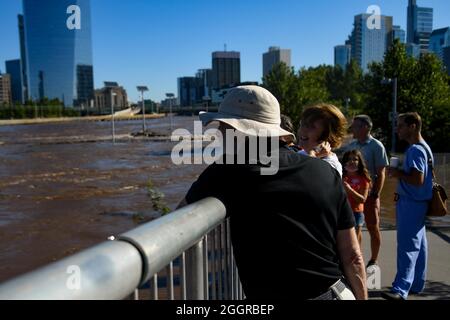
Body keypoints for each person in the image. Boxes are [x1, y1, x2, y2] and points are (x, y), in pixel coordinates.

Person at [180, 85, 368, 300]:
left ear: (237, 130)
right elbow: (353, 256)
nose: (219, 133)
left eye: (221, 126)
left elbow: (176, 223)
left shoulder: (226, 171)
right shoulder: (325, 171)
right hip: (334, 293)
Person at [382, 112, 433, 300]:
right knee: (419, 244)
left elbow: (417, 180)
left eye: (401, 125)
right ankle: (417, 284)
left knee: (407, 246)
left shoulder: (415, 150)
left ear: (412, 126)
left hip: (411, 202)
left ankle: (400, 289)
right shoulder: (424, 148)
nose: (397, 129)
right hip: (420, 203)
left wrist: (397, 173)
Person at [347, 115, 389, 267]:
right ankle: (357, 256)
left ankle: (373, 260)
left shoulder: (377, 146)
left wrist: (376, 193)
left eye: (356, 126)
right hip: (353, 194)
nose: (353, 129)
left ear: (365, 127)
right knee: (356, 226)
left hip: (370, 193)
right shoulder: (352, 145)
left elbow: (382, 171)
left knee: (372, 226)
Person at [297, 104, 348, 177]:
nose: (302, 129)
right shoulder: (300, 154)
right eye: (302, 124)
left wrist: (313, 158)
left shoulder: (331, 166)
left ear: (327, 136)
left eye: (311, 127)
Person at [342, 150, 372, 248]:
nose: (352, 162)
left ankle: (357, 258)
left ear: (360, 162)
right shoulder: (340, 176)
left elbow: (363, 199)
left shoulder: (363, 179)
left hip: (356, 212)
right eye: (349, 159)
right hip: (342, 211)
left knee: (355, 239)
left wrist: (349, 189)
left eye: (355, 159)